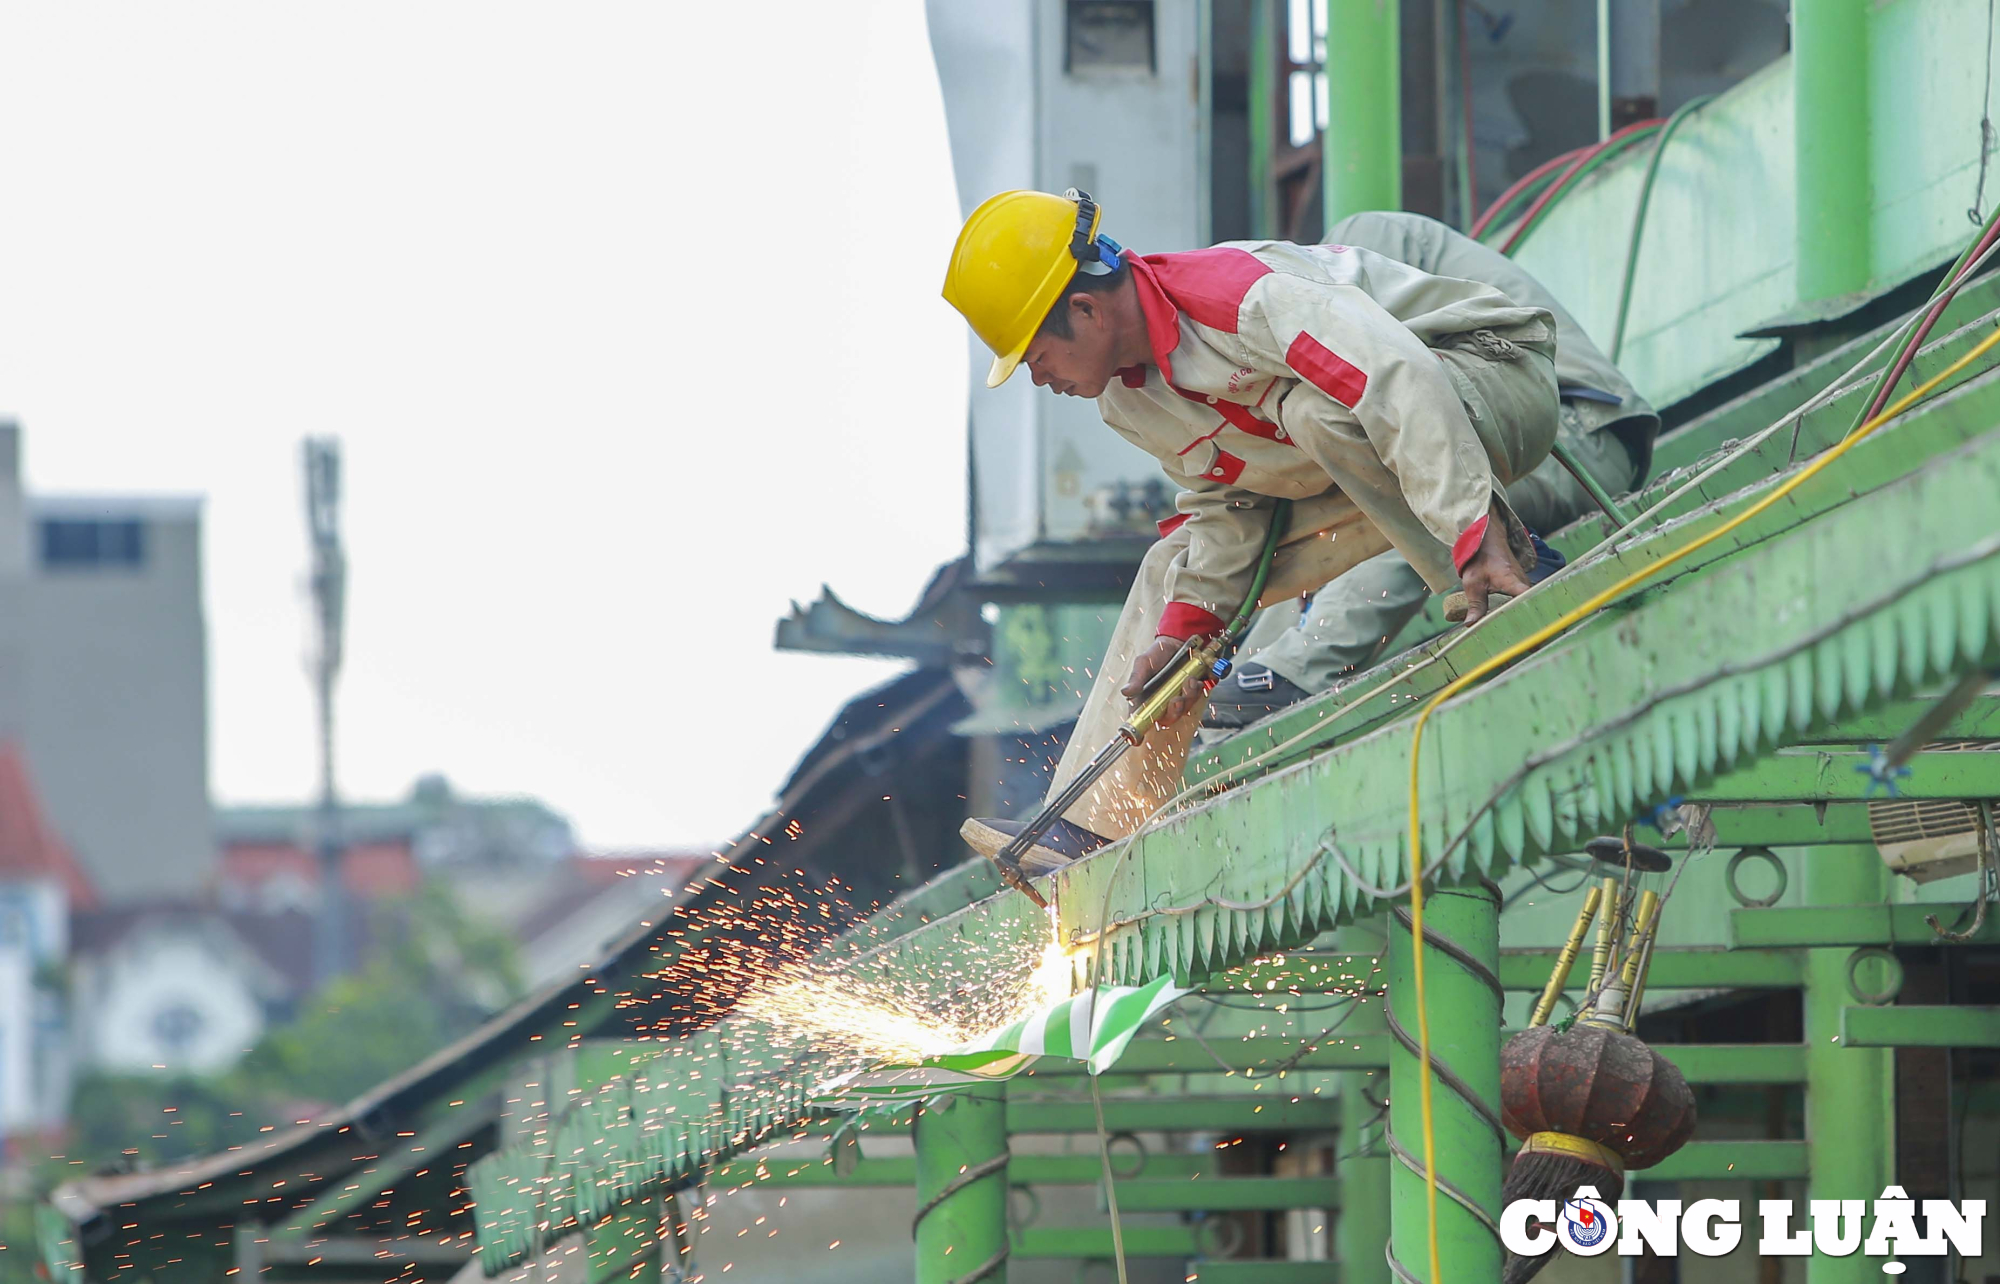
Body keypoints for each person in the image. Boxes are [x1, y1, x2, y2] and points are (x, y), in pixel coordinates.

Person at [941, 189, 1561, 871]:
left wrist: (1474, 536)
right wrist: (1183, 637)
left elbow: (1395, 380)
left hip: (1491, 375)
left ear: (1084, 311)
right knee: (1170, 566)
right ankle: (1095, 828)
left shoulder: (1238, 297)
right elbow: (1228, 509)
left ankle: (1498, 582)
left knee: (1315, 413)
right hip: (1376, 454)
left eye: (1035, 358)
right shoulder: (1127, 400)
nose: (1038, 380)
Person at [1203, 210, 1662, 727]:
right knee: (1328, 528)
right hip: (1514, 445)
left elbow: (1408, 406)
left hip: (1577, 436)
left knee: (1418, 487)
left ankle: (1295, 669)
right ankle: (1251, 681)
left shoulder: (1352, 252)